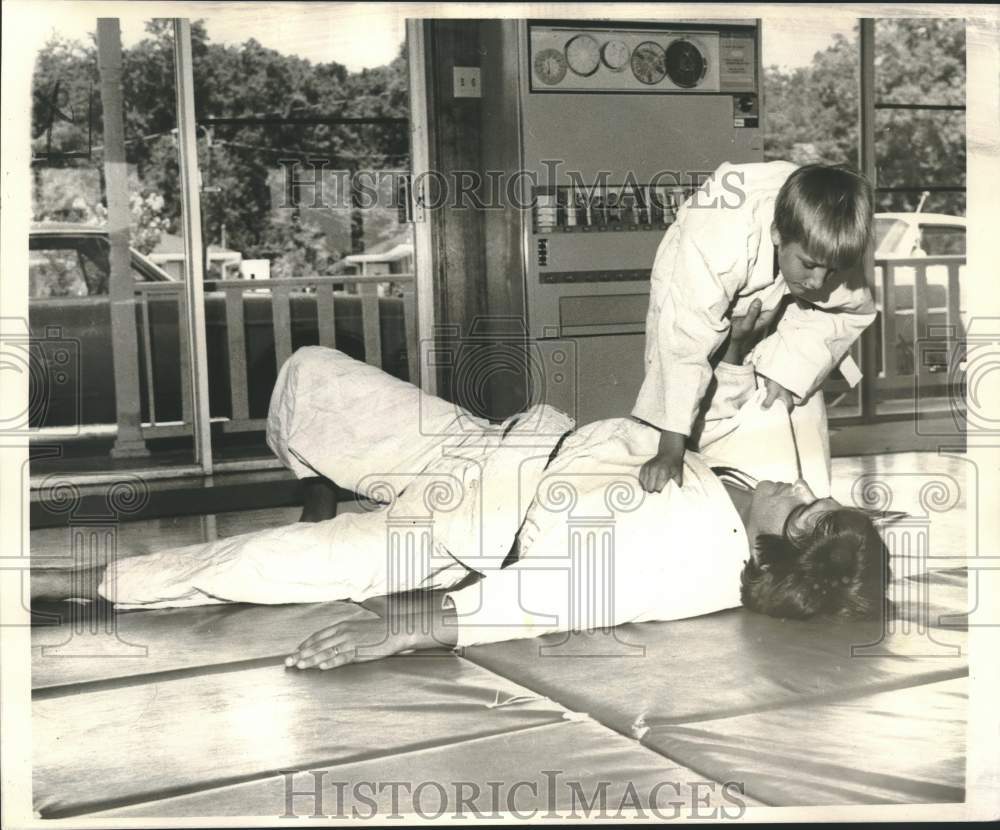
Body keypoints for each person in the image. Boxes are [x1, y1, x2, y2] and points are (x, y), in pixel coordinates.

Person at [31, 327, 891, 671]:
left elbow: (545, 600)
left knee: (257, 565)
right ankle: (318, 482)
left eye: (805, 509)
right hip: (479, 444)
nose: (799, 488)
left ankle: (90, 588)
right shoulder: (747, 487)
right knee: (311, 372)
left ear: (779, 550)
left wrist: (401, 626)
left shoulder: (688, 561)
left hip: (454, 540)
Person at [635, 161, 877, 498]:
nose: (818, 281)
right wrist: (670, 447)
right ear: (778, 232)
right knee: (709, 425)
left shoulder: (830, 238)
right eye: (808, 265)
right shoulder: (719, 234)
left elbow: (849, 311)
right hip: (701, 283)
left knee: (793, 409)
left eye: (831, 271)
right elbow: (685, 338)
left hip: (778, 284)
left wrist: (789, 370)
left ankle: (807, 514)